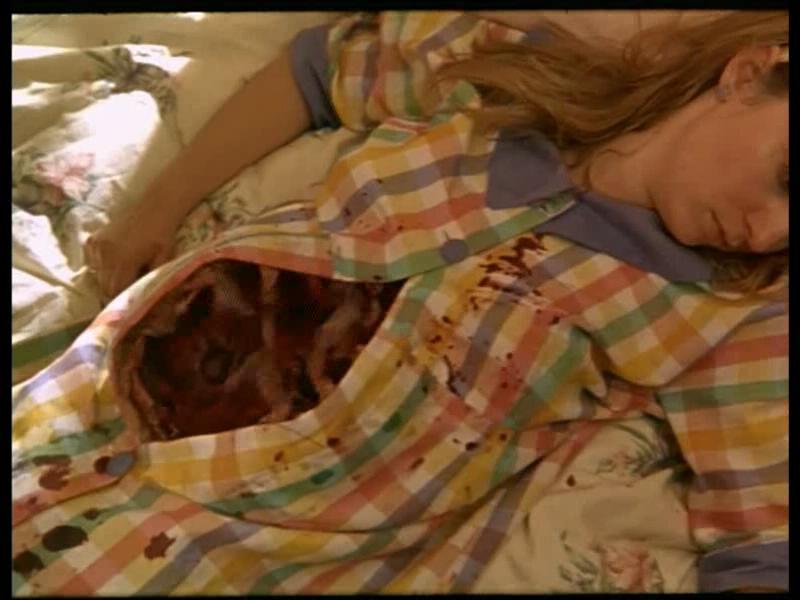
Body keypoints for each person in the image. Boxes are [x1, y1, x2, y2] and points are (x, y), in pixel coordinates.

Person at [29, 10, 787, 593]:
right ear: (750, 71)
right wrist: (154, 212)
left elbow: (762, 543)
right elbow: (315, 70)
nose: (772, 232)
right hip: (102, 397)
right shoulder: (506, 81)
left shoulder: (729, 311)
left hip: (270, 534)